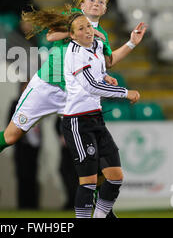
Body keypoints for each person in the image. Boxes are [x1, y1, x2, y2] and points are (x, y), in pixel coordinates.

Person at [0, 0, 146, 211]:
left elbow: (107, 62)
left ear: (104, 8)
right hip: (47, 87)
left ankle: (100, 205)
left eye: (101, 1)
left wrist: (131, 43)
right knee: (12, 136)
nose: (96, 3)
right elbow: (49, 37)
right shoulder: (72, 20)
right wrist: (75, 32)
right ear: (82, 3)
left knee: (96, 143)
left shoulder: (101, 35)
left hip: (74, 93)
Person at [62, 13, 140, 218]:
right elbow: (91, 86)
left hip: (96, 118)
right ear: (72, 35)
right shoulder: (74, 52)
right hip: (77, 122)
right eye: (80, 28)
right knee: (87, 183)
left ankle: (100, 217)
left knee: (115, 178)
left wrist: (106, 75)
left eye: (88, 26)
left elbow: (98, 73)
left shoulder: (96, 45)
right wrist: (125, 93)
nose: (87, 30)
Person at [9, 82, 42, 209]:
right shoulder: (15, 104)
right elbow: (9, 125)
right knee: (22, 176)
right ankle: (23, 205)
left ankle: (33, 205)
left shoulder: (37, 104)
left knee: (33, 176)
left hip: (34, 147)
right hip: (22, 147)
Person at [55, 116, 78, 209]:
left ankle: (74, 201)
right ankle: (71, 199)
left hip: (76, 149)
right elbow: (56, 124)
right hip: (66, 150)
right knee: (65, 172)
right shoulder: (62, 111)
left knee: (75, 175)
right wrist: (61, 135)